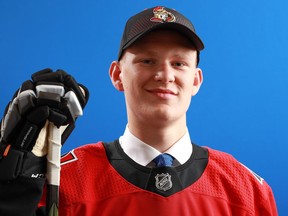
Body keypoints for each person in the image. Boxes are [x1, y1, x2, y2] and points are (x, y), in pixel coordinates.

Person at [0, 6, 278, 216]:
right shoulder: (62, 181)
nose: (164, 74)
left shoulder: (247, 189)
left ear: (196, 80)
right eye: (147, 60)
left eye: (179, 63)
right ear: (117, 75)